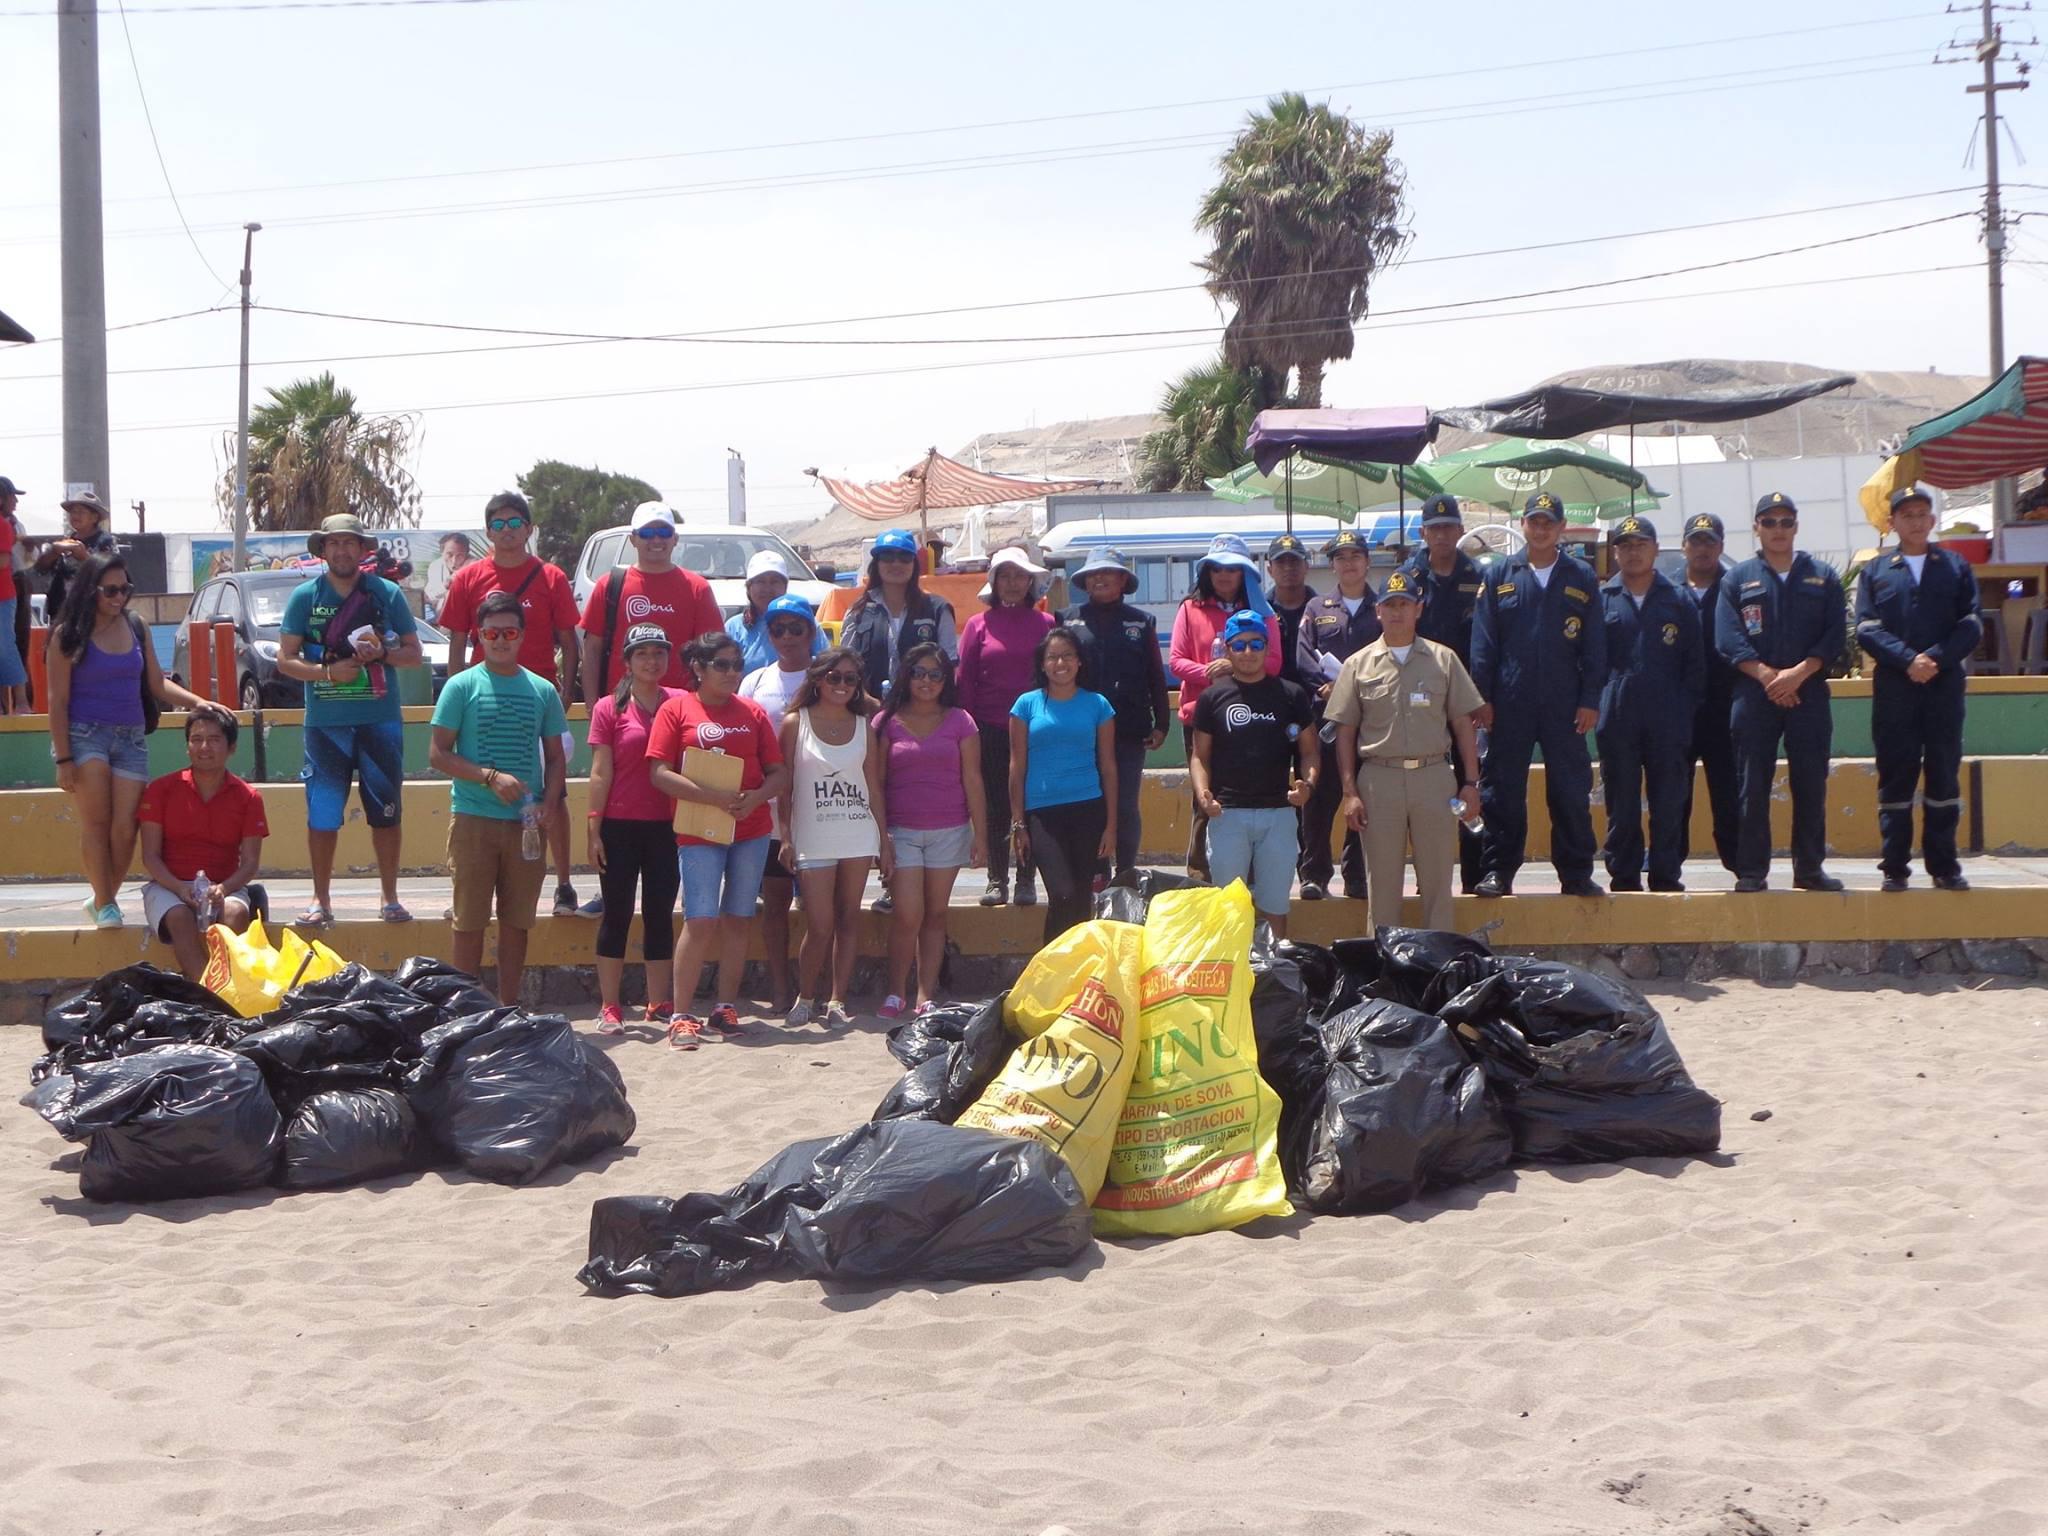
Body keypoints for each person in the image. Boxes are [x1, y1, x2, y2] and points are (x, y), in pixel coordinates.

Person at [438, 491, 585, 917]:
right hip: (480, 702)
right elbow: (458, 639)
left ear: (529, 528)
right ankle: (466, 894)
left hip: (536, 702)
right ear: (488, 532)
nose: (507, 531)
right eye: (498, 524)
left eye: (514, 522)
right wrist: (454, 692)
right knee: (471, 792)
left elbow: (567, 639)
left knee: (551, 796)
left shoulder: (551, 577)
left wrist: (566, 689)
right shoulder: (468, 578)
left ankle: (563, 884)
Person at [275, 513, 425, 926]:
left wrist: (381, 655)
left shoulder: (387, 594)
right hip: (325, 724)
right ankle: (320, 899)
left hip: (379, 719)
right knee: (322, 815)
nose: (342, 550)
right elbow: (284, 660)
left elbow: (413, 655)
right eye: (334, 543)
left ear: (363, 550)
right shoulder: (305, 597)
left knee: (387, 812)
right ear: (322, 550)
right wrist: (326, 672)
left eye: (349, 543)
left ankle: (390, 898)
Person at [46, 553, 211, 927]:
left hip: (131, 736)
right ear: (91, 590)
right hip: (84, 734)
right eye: (110, 590)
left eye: (125, 589)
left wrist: (198, 701)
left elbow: (156, 683)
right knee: (97, 823)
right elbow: (57, 700)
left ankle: (104, 897)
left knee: (127, 826)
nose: (119, 597)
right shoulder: (67, 634)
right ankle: (106, 905)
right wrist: (64, 759)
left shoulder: (136, 626)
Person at [647, 630, 786, 1049]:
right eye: (721, 665)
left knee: (739, 917)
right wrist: (710, 798)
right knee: (701, 919)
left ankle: (725, 1007)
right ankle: (682, 1014)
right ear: (699, 668)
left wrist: (756, 797)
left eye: (736, 664)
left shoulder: (754, 713)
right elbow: (658, 771)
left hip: (751, 829)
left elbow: (778, 771)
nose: (731, 673)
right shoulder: (676, 710)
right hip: (698, 829)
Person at [428, 591, 568, 1004]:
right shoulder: (461, 685)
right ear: (479, 636)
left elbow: (557, 759)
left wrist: (549, 803)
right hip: (474, 818)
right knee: (468, 922)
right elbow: (437, 754)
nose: (501, 640)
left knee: (516, 922)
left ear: (522, 636)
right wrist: (488, 777)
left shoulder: (542, 690)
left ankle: (509, 1008)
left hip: (525, 824)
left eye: (509, 632)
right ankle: (465, 1010)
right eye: (492, 633)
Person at [1331, 568, 1485, 932]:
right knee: (1382, 884)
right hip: (1378, 779)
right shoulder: (1358, 665)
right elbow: (1345, 732)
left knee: (1437, 882)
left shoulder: (1443, 660)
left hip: (1433, 777)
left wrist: (1471, 783)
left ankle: (1435, 968)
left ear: (1419, 608)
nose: (1397, 611)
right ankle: (1384, 965)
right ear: (1377, 611)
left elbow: (1464, 725)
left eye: (1405, 604)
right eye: (1390, 604)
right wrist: (1349, 792)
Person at [1470, 491, 1606, 898]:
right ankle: (1498, 871)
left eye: (1550, 521)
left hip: (1565, 702)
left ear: (1561, 528)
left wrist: (1590, 699)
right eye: (1535, 520)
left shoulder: (1581, 576)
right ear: (1523, 524)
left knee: (1569, 789)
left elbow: (1596, 644)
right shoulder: (1499, 575)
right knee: (1503, 790)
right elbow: (1483, 642)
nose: (1542, 528)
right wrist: (1483, 698)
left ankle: (1576, 872)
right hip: (1510, 701)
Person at [1715, 491, 1848, 893]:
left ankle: (1809, 869)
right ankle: (1752, 870)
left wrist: (1798, 675)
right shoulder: (1737, 578)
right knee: (1751, 784)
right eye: (1769, 522)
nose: (1778, 529)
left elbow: (1835, 635)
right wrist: (1771, 678)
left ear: (1796, 526)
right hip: (1756, 694)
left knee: (1811, 782)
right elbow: (1728, 638)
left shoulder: (1822, 576)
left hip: (1808, 691)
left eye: (1785, 522)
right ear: (1756, 527)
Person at [1855, 484, 1983, 892]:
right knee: (1896, 773)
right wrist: (1908, 659)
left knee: (1944, 772)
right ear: (1892, 523)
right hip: (1896, 688)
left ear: (1931, 520)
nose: (1914, 522)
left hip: (1943, 687)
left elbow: (1971, 623)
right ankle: (1895, 866)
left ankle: (1944, 866)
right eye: (1905, 515)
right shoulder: (1875, 571)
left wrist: (1935, 659)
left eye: (1921, 514)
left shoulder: (1955, 566)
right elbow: (1866, 628)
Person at [873, 643, 984, 1018]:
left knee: (936, 913)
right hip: (901, 831)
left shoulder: (961, 721)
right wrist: (881, 836)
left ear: (946, 680)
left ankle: (925, 995)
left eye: (935, 674)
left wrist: (980, 835)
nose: (926, 681)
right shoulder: (886, 722)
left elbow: (973, 779)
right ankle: (894, 992)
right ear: (906, 675)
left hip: (950, 829)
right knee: (907, 914)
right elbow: (876, 782)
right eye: (918, 672)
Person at [1190, 610, 1317, 938]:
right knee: (1229, 908)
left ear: (1267, 648)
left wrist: (1309, 784)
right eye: (1240, 645)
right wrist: (1204, 794)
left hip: (1279, 815)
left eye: (1256, 644)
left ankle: (1273, 977)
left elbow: (1309, 751)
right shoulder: (1212, 698)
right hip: (1227, 815)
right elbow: (1199, 756)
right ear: (1228, 650)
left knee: (1275, 905)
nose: (1248, 652)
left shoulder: (1291, 695)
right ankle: (1233, 978)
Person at [1597, 515, 1704, 892]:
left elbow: (1695, 665)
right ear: (1615, 553)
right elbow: (1591, 660)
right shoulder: (1602, 599)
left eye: (1641, 544)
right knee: (1622, 803)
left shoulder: (1678, 599)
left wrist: (1681, 710)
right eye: (1625, 546)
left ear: (1656, 550)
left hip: (1667, 718)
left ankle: (1665, 873)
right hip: (1618, 717)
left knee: (1668, 801)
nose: (1633, 552)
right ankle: (1624, 874)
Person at [778, 646, 884, 1027]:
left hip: (857, 830)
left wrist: (883, 842)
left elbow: (873, 785)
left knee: (849, 918)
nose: (841, 685)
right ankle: (805, 997)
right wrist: (786, 836)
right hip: (813, 834)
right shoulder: (795, 723)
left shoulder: (863, 726)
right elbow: (784, 786)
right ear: (818, 679)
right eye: (834, 677)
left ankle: (838, 999)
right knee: (819, 923)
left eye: (850, 679)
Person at [585, 623, 683, 1033]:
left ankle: (658, 1001)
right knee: (617, 913)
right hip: (620, 824)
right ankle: (610, 1005)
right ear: (627, 661)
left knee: (660, 913)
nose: (651, 660)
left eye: (659, 652)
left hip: (668, 825)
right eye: (642, 653)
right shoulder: (609, 707)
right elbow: (600, 770)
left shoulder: (680, 702)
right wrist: (594, 826)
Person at [1168, 535, 1279, 880]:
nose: (1224, 575)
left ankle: (1247, 876)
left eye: (1233, 568)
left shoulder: (1262, 611)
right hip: (1202, 716)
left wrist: (1236, 668)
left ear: (1245, 572)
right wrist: (1208, 672)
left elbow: (1274, 663)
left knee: (1245, 798)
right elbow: (1175, 661)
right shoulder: (1190, 608)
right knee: (1204, 799)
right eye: (1217, 568)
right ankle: (1200, 875)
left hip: (1250, 717)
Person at [1398, 493, 1492, 894]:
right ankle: (1426, 877)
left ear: (1460, 530)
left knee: (1470, 787)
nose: (1441, 535)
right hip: (1421, 702)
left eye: (1448, 527)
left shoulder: (1480, 575)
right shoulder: (1408, 578)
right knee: (1423, 792)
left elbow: (1490, 641)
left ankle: (1474, 875)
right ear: (1423, 533)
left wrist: (1482, 699)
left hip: (1467, 702)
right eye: (1434, 529)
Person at [136, 707, 270, 982]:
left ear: (231, 747)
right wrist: (179, 888)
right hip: (168, 887)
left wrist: (223, 889)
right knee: (178, 918)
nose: (204, 747)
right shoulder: (161, 790)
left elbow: (250, 863)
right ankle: (212, 996)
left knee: (234, 912)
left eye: (214, 739)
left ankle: (227, 989)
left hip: (225, 886)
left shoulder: (248, 797)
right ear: (187, 747)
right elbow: (150, 856)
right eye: (196, 739)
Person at [1060, 548, 1168, 883]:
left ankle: (1125, 872)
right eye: (1093, 574)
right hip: (1079, 730)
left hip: (1128, 730)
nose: (1100, 578)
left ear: (1123, 580)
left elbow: (1155, 675)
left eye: (1108, 573)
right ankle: (1094, 872)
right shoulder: (1066, 619)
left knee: (1123, 805)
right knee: (1089, 803)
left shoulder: (1140, 621)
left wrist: (1162, 723)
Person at [957, 546, 1055, 908]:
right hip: (989, 729)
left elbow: (1054, 675)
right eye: (1006, 576)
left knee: (1029, 805)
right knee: (997, 806)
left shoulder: (1046, 624)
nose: (1013, 583)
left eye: (1020, 576)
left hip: (1036, 730)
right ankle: (997, 880)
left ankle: (1026, 881)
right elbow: (965, 680)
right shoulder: (976, 626)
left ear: (1030, 581)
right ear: (994, 582)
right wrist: (968, 732)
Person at [738, 593, 820, 1012]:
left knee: (820, 908)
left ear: (811, 631)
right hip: (770, 816)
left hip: (822, 811)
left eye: (796, 627)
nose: (787, 637)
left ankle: (815, 987)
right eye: (778, 629)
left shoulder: (827, 678)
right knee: (773, 906)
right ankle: (781, 988)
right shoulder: (755, 683)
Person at [1009, 625, 1117, 943]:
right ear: (1042, 664)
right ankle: (1048, 972)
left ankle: (1076, 977)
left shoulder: (1098, 704)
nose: (1061, 663)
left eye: (1068, 656)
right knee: (1063, 894)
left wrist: (1111, 826)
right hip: (1043, 813)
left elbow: (1109, 766)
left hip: (1088, 809)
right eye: (1053, 657)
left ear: (1079, 661)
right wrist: (1018, 823)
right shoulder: (1025, 705)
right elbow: (1016, 766)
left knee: (1082, 901)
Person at [1294, 527, 1383, 901]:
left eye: (1355, 556)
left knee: (1366, 798)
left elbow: (1391, 656)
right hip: (1327, 719)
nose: (1349, 563)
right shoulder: (1316, 609)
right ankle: (1314, 874)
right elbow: (1303, 657)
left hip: (1373, 722)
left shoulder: (1383, 608)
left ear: (1367, 562)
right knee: (1320, 799)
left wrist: (1358, 690)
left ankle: (1357, 876)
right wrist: (1324, 687)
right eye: (1341, 558)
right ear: (1333, 566)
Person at [579, 501, 725, 698]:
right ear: (633, 539)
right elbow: (592, 650)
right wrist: (592, 705)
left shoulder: (697, 588)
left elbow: (712, 652)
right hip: (622, 708)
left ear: (675, 539)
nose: (656, 540)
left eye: (664, 533)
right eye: (647, 533)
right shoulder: (609, 585)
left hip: (681, 708)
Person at [1676, 511, 1740, 874]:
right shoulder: (1666, 591)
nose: (1703, 549)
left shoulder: (1735, 590)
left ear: (1721, 546)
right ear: (1684, 546)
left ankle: (1738, 862)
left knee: (1728, 791)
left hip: (1724, 709)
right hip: (1680, 711)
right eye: (1696, 541)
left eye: (1710, 541)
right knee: (1673, 794)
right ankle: (1669, 863)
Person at [838, 527, 959, 698]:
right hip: (870, 713)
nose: (896, 563)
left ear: (914, 564)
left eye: (904, 557)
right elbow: (846, 667)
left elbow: (949, 668)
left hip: (922, 716)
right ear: (876, 564)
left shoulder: (938, 610)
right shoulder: (858, 611)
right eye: (887, 557)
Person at [35, 489, 120, 632]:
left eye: (81, 512)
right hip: (62, 611)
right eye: (73, 512)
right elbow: (40, 569)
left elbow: (112, 574)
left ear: (94, 517)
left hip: (92, 612)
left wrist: (85, 557)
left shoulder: (106, 542)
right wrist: (54, 552)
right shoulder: (64, 542)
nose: (75, 516)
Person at [727, 549, 824, 671]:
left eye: (775, 581)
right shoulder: (734, 628)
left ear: (785, 587)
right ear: (749, 587)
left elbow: (824, 666)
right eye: (760, 581)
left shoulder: (807, 625)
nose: (767, 588)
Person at [1266, 533, 1316, 689]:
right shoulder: (1259, 611)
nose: (1288, 568)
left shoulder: (1321, 610)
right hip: (1272, 699)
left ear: (1306, 567)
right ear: (1270, 570)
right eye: (1281, 562)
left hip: (1315, 698)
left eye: (1294, 561)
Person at [1, 476, 28, 711]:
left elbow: (4, 561)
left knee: (9, 643)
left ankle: (21, 701)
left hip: (8, 590)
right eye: (12, 496)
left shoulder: (6, 524)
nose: (15, 502)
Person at [423, 532, 473, 621]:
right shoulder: (435, 566)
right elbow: (430, 596)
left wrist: (458, 576)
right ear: (442, 552)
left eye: (460, 555)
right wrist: (446, 585)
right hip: (437, 619)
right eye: (449, 554)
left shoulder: (475, 566)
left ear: (467, 553)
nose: (454, 560)